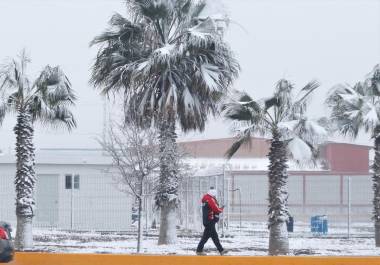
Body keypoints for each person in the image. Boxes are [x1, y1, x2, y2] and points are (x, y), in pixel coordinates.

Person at [196, 187, 228, 255]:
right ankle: (199, 250)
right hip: (210, 221)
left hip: (207, 220)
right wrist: (221, 209)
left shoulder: (206, 198)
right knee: (205, 237)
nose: (215, 196)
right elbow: (216, 209)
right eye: (214, 194)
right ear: (213, 193)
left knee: (214, 236)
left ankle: (221, 250)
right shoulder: (210, 199)